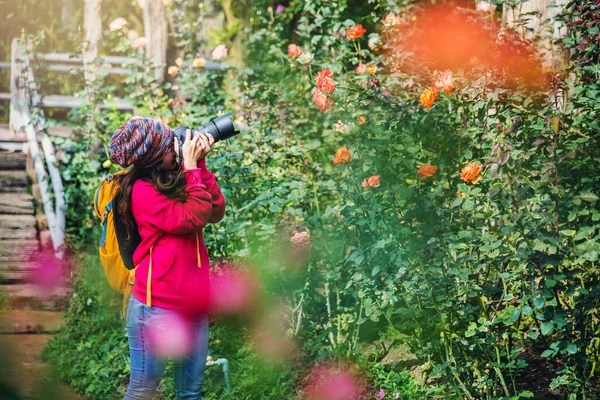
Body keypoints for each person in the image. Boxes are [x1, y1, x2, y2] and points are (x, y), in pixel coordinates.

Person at [108, 117, 225, 399]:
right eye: (170, 145)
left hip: (193, 306)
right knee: (142, 391)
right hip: (156, 308)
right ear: (153, 157)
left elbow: (215, 211)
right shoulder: (142, 191)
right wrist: (192, 168)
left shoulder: (176, 178)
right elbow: (192, 217)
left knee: (191, 393)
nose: (176, 147)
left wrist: (200, 167)